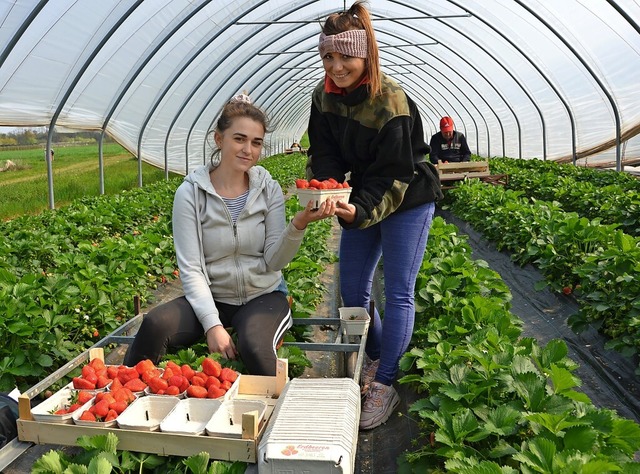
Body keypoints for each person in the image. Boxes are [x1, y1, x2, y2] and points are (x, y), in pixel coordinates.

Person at [124, 94, 335, 376]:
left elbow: (274, 261)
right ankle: (125, 394)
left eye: (256, 142)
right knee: (154, 324)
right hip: (214, 295)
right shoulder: (190, 193)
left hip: (264, 295)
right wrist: (212, 324)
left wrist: (298, 225)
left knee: (254, 347)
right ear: (219, 139)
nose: (248, 149)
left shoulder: (267, 188)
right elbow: (192, 269)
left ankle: (277, 415)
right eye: (239, 139)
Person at [306, 1, 443, 430]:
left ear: (365, 54)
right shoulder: (322, 96)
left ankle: (385, 382)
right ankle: (382, 354)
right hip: (364, 191)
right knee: (352, 291)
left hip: (409, 195)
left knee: (399, 290)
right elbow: (324, 154)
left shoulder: (390, 99)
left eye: (344, 56)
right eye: (328, 56)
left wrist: (359, 209)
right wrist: (328, 189)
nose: (336, 65)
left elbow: (395, 172)